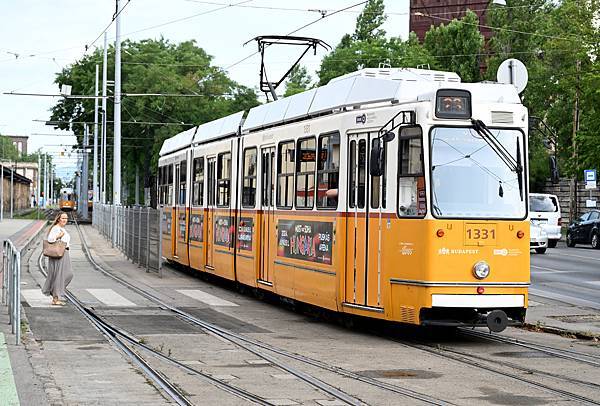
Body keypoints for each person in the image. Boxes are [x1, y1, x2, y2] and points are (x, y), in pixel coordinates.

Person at [42, 212, 73, 306]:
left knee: (66, 274)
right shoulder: (56, 228)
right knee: (61, 275)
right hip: (59, 254)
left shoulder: (62, 228)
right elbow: (50, 239)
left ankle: (55, 293)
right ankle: (55, 297)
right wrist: (58, 236)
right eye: (63, 218)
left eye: (66, 218)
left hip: (64, 253)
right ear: (58, 219)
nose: (65, 220)